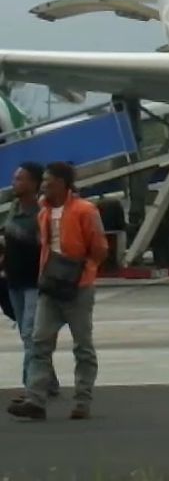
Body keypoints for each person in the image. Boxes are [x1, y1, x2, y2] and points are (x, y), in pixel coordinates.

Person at [8, 162, 107, 422]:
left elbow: (99, 247)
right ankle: (35, 400)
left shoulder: (85, 210)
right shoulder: (43, 213)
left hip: (78, 287)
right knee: (39, 341)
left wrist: (83, 269)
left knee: (82, 346)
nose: (44, 187)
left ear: (63, 183)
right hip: (50, 286)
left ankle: (82, 400)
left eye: (48, 182)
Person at [2, 162, 59, 399]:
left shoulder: (42, 212)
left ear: (34, 184)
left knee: (30, 334)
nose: (15, 182)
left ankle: (31, 387)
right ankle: (49, 382)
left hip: (35, 283)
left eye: (21, 179)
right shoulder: (13, 209)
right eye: (15, 178)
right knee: (29, 335)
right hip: (13, 281)